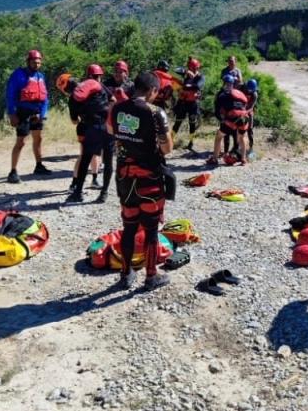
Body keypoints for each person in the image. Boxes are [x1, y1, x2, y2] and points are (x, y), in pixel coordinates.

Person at [111, 72, 173, 292]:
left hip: (125, 179)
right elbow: (168, 148)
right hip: (149, 179)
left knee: (129, 228)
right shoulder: (155, 112)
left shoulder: (117, 108)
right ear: (152, 90)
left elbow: (111, 131)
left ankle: (125, 274)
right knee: (151, 230)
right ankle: (151, 277)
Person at [66, 65, 113, 204]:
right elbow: (114, 100)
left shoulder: (74, 97)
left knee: (85, 159)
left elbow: (74, 121)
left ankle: (78, 193)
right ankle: (104, 193)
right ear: (100, 76)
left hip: (92, 128)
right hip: (108, 127)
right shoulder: (101, 86)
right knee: (108, 160)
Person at [5, 49, 50, 184]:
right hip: (23, 112)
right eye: (34, 62)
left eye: (39, 62)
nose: (36, 65)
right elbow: (10, 94)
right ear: (28, 62)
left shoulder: (40, 76)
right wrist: (12, 113)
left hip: (37, 113)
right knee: (21, 141)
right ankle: (13, 171)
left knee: (38, 138)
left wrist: (43, 114)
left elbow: (45, 97)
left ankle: (39, 165)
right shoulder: (18, 75)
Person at [211, 73, 250, 165]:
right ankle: (243, 159)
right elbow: (244, 105)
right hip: (244, 118)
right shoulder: (239, 93)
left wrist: (223, 120)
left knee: (219, 136)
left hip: (233, 117)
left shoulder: (222, 95)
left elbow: (217, 111)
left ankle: (214, 159)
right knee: (242, 137)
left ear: (224, 83)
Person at [172, 56, 205, 151]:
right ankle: (170, 140)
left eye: (195, 68)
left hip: (193, 104)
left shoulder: (200, 77)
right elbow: (176, 69)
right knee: (177, 122)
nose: (194, 69)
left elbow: (197, 86)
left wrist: (185, 86)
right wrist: (186, 72)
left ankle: (191, 142)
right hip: (183, 102)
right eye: (191, 68)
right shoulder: (186, 74)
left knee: (192, 123)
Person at [243, 78, 259, 156]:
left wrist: (245, 113)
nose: (249, 90)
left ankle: (251, 148)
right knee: (239, 131)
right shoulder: (243, 89)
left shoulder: (255, 94)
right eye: (249, 89)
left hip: (249, 112)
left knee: (250, 130)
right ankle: (237, 148)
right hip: (241, 111)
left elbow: (251, 107)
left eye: (251, 89)